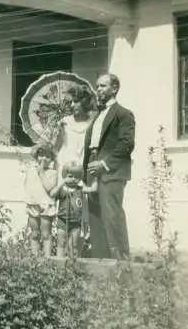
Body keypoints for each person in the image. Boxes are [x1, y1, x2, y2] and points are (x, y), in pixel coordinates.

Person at [82, 73, 135, 260]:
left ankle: (120, 263)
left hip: (111, 171)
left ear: (114, 88)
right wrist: (86, 170)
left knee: (112, 215)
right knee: (95, 216)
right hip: (92, 167)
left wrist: (104, 164)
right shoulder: (97, 116)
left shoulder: (123, 114)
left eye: (103, 86)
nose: (98, 90)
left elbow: (126, 144)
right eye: (97, 86)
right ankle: (100, 263)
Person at [55, 85, 98, 193]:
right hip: (65, 166)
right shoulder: (65, 122)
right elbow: (56, 147)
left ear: (84, 102)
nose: (72, 105)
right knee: (65, 201)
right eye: (70, 103)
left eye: (75, 102)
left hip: (82, 165)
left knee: (80, 201)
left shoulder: (92, 123)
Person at [24, 142, 58, 257]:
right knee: (34, 233)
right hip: (33, 204)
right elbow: (28, 186)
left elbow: (49, 188)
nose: (44, 158)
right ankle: (35, 259)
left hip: (46, 205)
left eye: (48, 156)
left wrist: (42, 172)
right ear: (36, 156)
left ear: (52, 158)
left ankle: (47, 259)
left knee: (45, 234)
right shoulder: (30, 170)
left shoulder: (53, 173)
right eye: (42, 155)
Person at [50, 161, 89, 258]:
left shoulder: (80, 189)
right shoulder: (62, 189)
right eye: (70, 176)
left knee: (74, 244)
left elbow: (89, 190)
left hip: (76, 222)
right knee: (61, 242)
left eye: (77, 176)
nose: (73, 179)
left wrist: (82, 182)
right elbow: (52, 194)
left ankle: (73, 264)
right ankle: (59, 265)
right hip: (62, 220)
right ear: (65, 175)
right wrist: (62, 183)